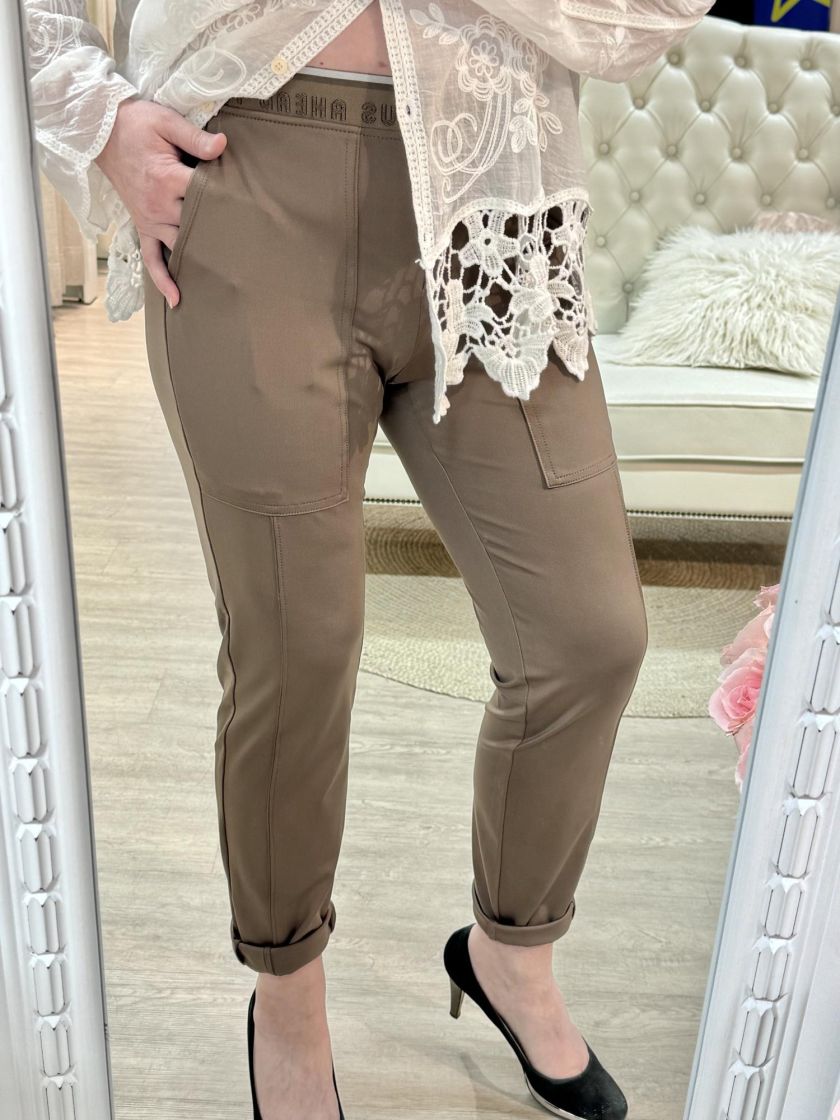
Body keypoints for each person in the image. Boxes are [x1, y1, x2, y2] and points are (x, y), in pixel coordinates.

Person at [25, 3, 713, 1119]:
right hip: (245, 170)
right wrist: (98, 119)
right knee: (296, 648)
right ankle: (288, 997)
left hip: (495, 191)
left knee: (589, 636)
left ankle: (511, 954)